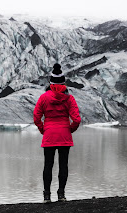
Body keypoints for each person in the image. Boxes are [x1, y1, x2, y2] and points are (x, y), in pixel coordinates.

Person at [33, 63, 81, 203]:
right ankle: (61, 195)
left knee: (48, 165)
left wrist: (43, 129)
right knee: (63, 165)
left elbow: (36, 116)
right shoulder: (69, 98)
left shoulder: (43, 97)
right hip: (64, 135)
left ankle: (46, 196)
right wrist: (69, 129)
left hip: (49, 135)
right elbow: (77, 119)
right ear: (63, 83)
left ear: (51, 82)